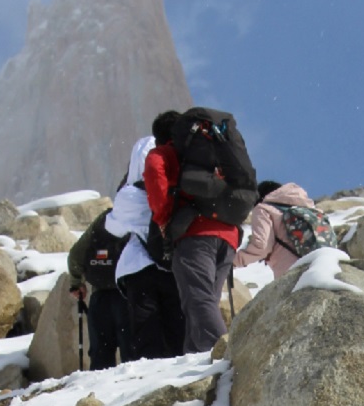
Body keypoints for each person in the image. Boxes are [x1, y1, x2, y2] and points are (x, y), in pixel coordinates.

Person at [145, 110, 240, 354]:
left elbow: (156, 176)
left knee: (199, 299)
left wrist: (163, 218)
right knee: (202, 301)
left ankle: (227, 359)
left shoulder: (165, 153)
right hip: (228, 235)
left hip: (194, 234)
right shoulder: (210, 149)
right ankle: (194, 358)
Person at [105, 136, 185, 360]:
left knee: (146, 331)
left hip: (137, 267)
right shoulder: (175, 191)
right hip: (170, 266)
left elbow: (113, 227)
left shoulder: (129, 195)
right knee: (176, 328)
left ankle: (150, 374)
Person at [67, 207, 130, 370]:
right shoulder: (139, 214)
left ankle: (99, 394)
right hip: (129, 297)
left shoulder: (105, 218)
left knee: (100, 356)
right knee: (131, 356)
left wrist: (76, 282)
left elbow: (75, 255)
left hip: (99, 298)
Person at [234, 180, 314, 278]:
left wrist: (233, 262)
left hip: (292, 273)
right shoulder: (309, 210)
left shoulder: (263, 209)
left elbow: (262, 247)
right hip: (320, 266)